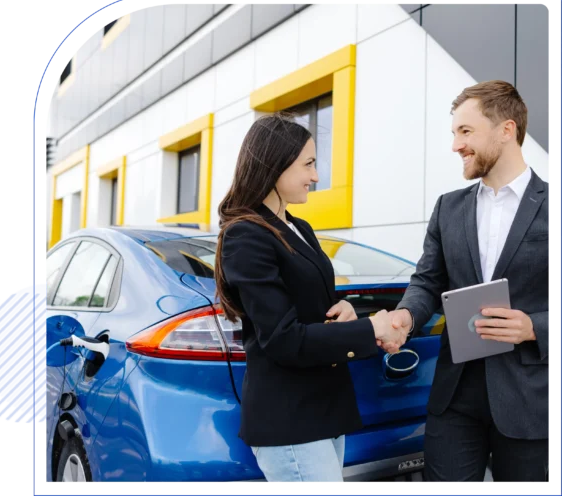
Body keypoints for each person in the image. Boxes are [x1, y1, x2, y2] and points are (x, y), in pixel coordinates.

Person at [214, 113, 401, 484]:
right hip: (290, 419)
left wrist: (345, 310)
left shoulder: (298, 227)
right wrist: (370, 329)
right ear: (274, 164)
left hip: (324, 409)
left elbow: (312, 306)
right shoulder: (245, 235)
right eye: (309, 164)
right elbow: (283, 339)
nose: (316, 176)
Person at [384, 80, 551, 487]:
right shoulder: (448, 208)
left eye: (466, 131)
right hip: (455, 397)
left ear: (506, 130)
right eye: (454, 133)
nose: (456, 145)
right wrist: (407, 315)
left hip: (531, 398)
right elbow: (426, 282)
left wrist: (536, 327)